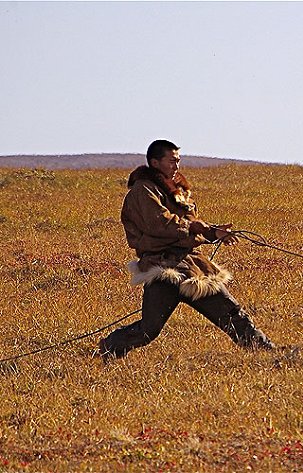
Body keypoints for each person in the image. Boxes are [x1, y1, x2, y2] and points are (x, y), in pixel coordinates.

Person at [98, 139, 274, 358]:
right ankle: (110, 346)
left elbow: (189, 226)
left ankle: (266, 352)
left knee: (230, 313)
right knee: (148, 331)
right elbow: (161, 224)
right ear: (155, 162)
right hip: (163, 269)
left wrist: (213, 232)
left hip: (191, 267)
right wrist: (199, 228)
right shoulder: (143, 191)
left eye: (178, 161)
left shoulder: (176, 192)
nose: (176, 166)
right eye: (172, 161)